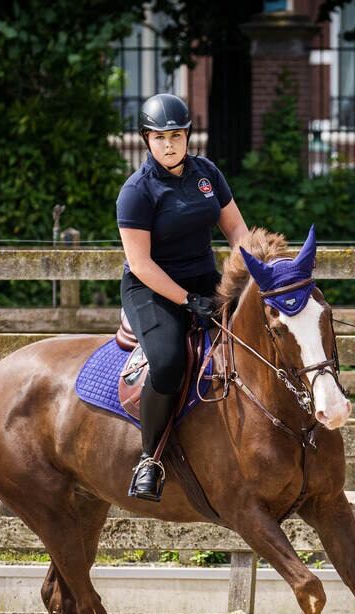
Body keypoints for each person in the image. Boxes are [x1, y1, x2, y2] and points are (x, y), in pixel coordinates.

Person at [117, 93, 249, 501]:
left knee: (256, 335)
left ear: (188, 135)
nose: (169, 145)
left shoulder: (207, 173)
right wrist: (188, 300)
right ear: (146, 140)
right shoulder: (136, 191)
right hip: (151, 288)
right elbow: (140, 264)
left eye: (176, 135)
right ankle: (150, 460)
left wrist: (257, 274)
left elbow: (238, 234)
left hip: (204, 278)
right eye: (159, 138)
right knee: (171, 359)